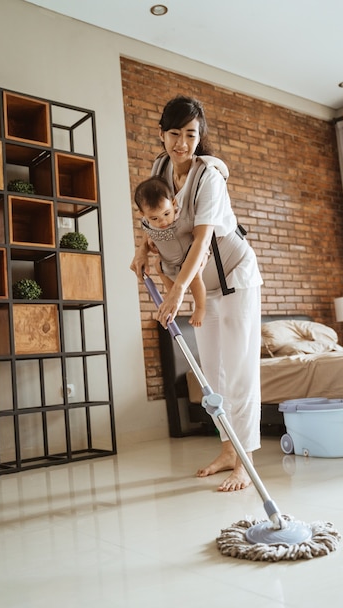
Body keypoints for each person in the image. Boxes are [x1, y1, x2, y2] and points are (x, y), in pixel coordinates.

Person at [131, 95, 262, 492]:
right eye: (174, 134)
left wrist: (178, 293)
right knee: (213, 371)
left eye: (191, 134)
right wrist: (141, 249)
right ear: (163, 134)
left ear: (199, 135)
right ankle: (227, 449)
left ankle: (246, 463)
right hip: (204, 282)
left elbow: (203, 241)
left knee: (239, 371)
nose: (182, 143)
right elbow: (152, 220)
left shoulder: (210, 178)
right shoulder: (160, 168)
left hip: (234, 277)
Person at [134, 175, 207, 327]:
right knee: (158, 266)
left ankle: (200, 307)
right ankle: (170, 292)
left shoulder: (182, 218)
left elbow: (201, 238)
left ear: (173, 204)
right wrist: (149, 244)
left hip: (190, 255)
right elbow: (149, 235)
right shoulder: (147, 225)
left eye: (167, 214)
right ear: (143, 215)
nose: (162, 221)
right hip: (169, 259)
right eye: (154, 218)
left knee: (195, 277)